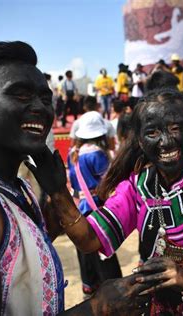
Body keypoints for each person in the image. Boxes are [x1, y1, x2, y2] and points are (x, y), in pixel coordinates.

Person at [0, 41, 155, 315]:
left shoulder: (14, 186)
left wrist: (57, 191)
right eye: (20, 95)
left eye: (46, 99)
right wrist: (97, 308)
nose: (40, 109)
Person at [33, 88, 183, 315]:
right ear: (141, 141)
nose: (166, 142)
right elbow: (90, 240)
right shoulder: (137, 187)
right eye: (152, 133)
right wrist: (59, 192)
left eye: (175, 128)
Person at [67, 111, 122, 299]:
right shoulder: (98, 154)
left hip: (79, 208)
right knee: (103, 249)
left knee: (85, 251)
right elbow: (108, 183)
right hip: (96, 207)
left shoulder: (73, 153)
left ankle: (89, 287)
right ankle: (112, 289)